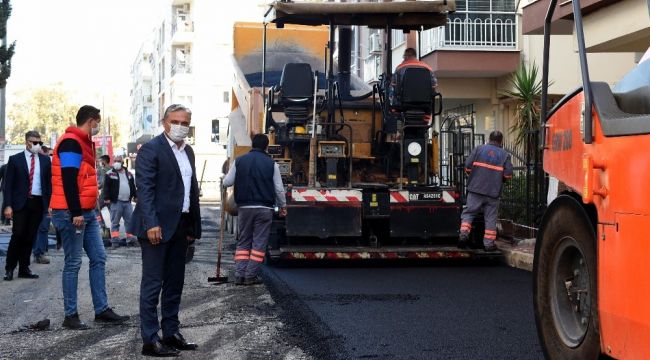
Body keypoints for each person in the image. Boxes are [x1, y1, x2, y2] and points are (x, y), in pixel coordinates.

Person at [129, 104, 201, 357]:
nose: (181, 126)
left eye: (185, 122)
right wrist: (151, 224)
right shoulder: (151, 150)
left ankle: (171, 332)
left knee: (175, 283)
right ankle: (150, 339)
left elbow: (190, 191)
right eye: (176, 121)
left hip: (180, 226)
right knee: (152, 284)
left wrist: (192, 225)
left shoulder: (188, 151)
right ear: (164, 122)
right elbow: (144, 190)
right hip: (156, 227)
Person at [50, 105, 129, 330]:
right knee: (73, 262)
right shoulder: (71, 143)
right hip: (71, 212)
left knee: (98, 257)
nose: (98, 127)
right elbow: (68, 178)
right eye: (98, 123)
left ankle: (101, 310)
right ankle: (70, 315)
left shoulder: (83, 143)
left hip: (86, 212)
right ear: (91, 121)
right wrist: (75, 212)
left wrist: (88, 209)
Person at [222, 133, 287, 286]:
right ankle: (250, 276)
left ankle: (239, 275)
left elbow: (228, 182)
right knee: (259, 243)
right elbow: (278, 189)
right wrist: (283, 206)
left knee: (244, 241)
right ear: (266, 146)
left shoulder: (239, 161)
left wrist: (223, 181)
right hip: (265, 209)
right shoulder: (272, 164)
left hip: (244, 208)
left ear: (252, 145)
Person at [3, 131, 52, 281]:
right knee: (18, 235)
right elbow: (8, 185)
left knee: (30, 237)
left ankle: (24, 268)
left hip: (38, 203)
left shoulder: (45, 161)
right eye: (34, 142)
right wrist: (8, 205)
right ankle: (10, 268)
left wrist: (50, 204)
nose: (37, 145)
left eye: (40, 143)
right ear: (27, 142)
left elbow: (49, 185)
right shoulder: (15, 160)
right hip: (20, 203)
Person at [458, 130, 513, 252]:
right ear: (501, 141)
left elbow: (467, 166)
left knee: (469, 213)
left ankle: (463, 235)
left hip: (476, 189)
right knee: (490, 218)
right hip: (493, 192)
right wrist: (500, 180)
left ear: (489, 139)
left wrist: (474, 176)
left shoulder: (478, 149)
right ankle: (488, 244)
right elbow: (508, 175)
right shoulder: (505, 155)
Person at [102, 155, 137, 248]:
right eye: (116, 161)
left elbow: (132, 186)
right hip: (116, 202)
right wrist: (106, 198)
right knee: (115, 222)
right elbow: (106, 187)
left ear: (122, 163)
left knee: (129, 222)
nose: (117, 162)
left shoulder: (128, 174)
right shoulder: (110, 174)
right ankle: (115, 242)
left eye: (119, 161)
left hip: (127, 202)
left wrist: (135, 196)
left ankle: (131, 240)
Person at [32, 145, 53, 264]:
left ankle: (39, 253)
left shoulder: (46, 162)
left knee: (44, 227)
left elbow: (50, 183)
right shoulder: (23, 161)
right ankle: (35, 251)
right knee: (32, 228)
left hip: (46, 202)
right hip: (31, 201)